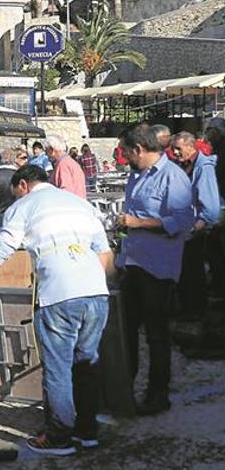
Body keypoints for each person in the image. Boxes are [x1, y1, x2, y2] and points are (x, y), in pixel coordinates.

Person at [0, 165, 114, 456]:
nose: (15, 198)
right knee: (87, 363)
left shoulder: (24, 206)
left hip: (58, 296)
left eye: (15, 193)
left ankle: (58, 437)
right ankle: (87, 431)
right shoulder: (79, 203)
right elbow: (104, 252)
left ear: (23, 184)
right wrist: (89, 283)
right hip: (95, 293)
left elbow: (1, 250)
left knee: (57, 368)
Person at [116, 126, 193, 416]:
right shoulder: (136, 176)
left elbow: (184, 221)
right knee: (126, 334)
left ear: (138, 149)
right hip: (133, 264)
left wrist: (140, 223)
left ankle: (158, 394)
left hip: (157, 270)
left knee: (157, 336)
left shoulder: (173, 177)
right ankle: (123, 391)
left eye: (125, 152)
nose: (123, 158)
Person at [171, 132, 221, 322]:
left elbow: (210, 207)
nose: (175, 152)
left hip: (195, 230)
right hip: (184, 228)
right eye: (174, 148)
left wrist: (196, 227)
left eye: (179, 148)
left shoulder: (203, 168)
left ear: (191, 147)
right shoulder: (182, 166)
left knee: (193, 273)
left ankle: (196, 313)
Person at [46, 135, 87, 199]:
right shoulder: (70, 162)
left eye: (46, 151)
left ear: (52, 150)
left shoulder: (63, 165)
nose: (46, 154)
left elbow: (66, 192)